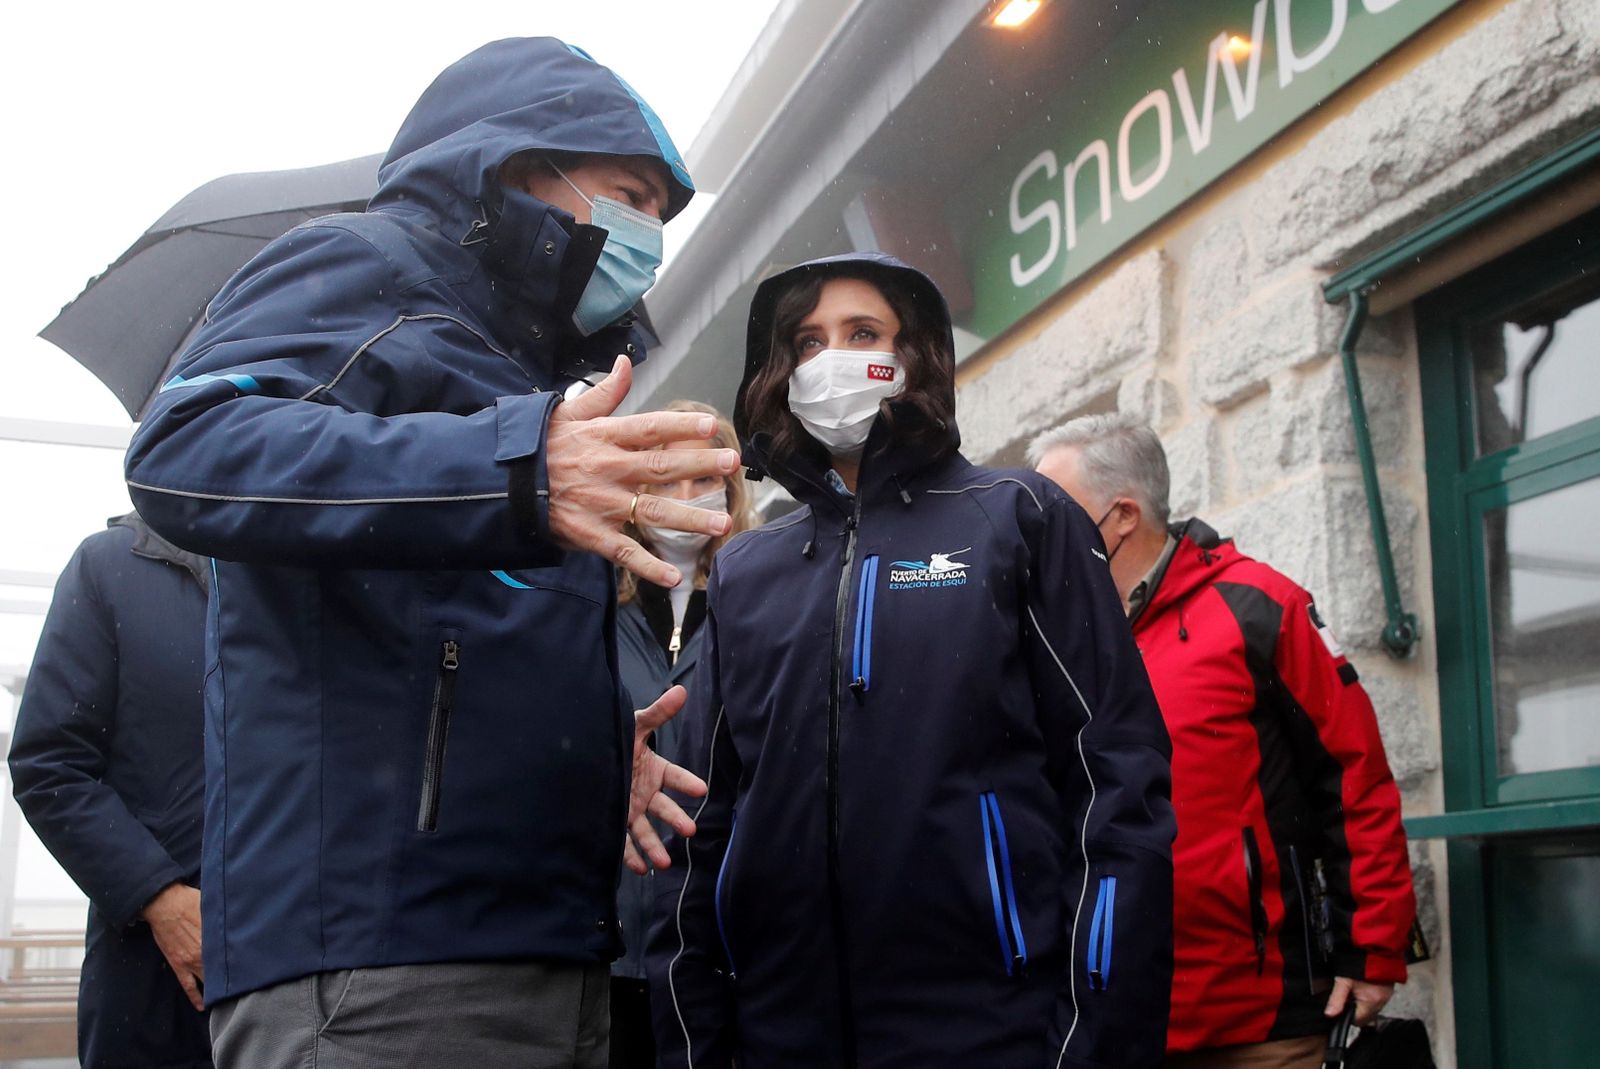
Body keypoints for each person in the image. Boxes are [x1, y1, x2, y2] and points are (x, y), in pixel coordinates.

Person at [123, 38, 732, 1068]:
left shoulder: (537, 374)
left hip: (539, 941)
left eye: (665, 218)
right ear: (518, 164)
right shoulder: (364, 263)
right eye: (630, 195)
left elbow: (452, 630)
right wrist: (514, 471)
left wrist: (588, 749)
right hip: (378, 959)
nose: (649, 238)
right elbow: (183, 448)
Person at [648, 253, 1176, 1068]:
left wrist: (1090, 1044)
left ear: (913, 355)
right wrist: (698, 1045)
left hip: (989, 1033)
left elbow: (1117, 796)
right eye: (807, 340)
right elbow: (699, 827)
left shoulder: (1019, 520)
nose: (831, 359)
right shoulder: (749, 572)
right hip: (783, 1037)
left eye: (863, 332)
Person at [1031, 415, 1416, 1069]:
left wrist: (1373, 948)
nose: (1036, 540)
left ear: (1122, 515)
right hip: (1103, 1021)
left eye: (1053, 518)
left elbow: (1355, 774)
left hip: (1258, 1024)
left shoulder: (1258, 607)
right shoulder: (1052, 639)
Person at [8, 512, 212, 1069]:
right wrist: (157, 896)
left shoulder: (309, 580)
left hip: (307, 973)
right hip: (149, 971)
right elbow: (48, 763)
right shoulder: (110, 567)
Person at [610, 400, 757, 1069]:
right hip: (600, 951)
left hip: (712, 952)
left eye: (703, 480)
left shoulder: (754, 607)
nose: (684, 498)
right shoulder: (591, 611)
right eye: (666, 478)